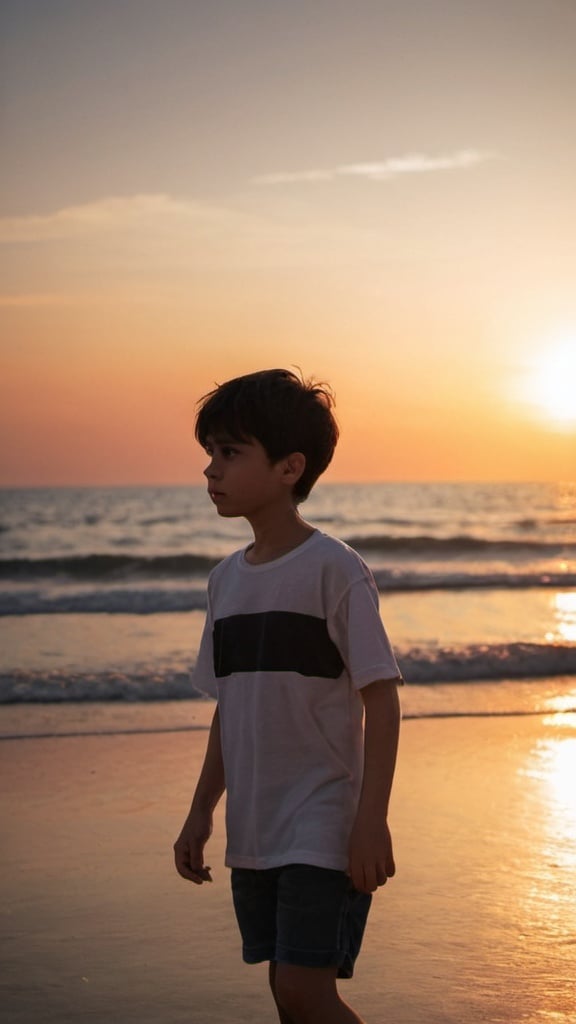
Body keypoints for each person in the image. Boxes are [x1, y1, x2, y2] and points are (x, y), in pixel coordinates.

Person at [174, 368, 402, 1024]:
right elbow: (230, 708)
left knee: (307, 992)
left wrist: (370, 819)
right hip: (255, 826)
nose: (210, 470)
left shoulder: (334, 570)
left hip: (323, 822)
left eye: (229, 452)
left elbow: (382, 701)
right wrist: (200, 813)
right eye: (209, 453)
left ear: (288, 467)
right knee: (286, 995)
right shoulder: (226, 582)